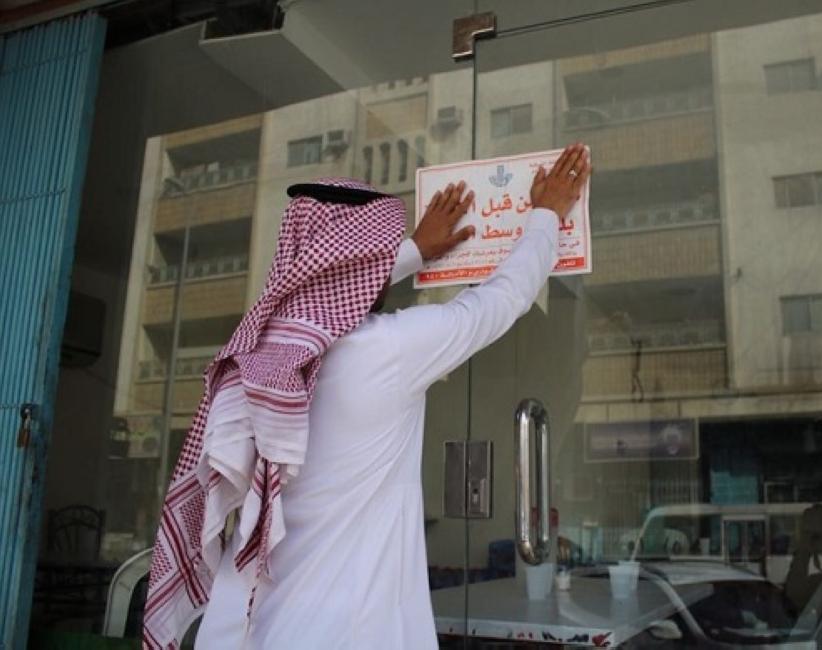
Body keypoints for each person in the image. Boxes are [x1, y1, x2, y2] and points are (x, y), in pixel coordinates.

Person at [142, 144, 590, 649]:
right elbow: (500, 300)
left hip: (249, 630)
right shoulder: (389, 349)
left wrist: (415, 250)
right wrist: (546, 215)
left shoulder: (255, 355)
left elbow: (322, 292)